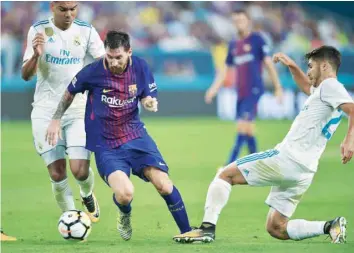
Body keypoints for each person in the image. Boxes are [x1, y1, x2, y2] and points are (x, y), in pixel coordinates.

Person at [173, 45, 354, 244]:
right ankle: (330, 226)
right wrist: (293, 66)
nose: (309, 71)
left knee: (224, 175)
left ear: (325, 66)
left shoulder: (330, 86)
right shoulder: (324, 92)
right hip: (305, 171)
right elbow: (306, 87)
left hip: (286, 159)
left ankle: (206, 229)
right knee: (276, 227)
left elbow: (353, 110)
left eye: (311, 66)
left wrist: (348, 141)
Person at [45, 31, 192, 241]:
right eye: (109, 57)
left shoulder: (140, 67)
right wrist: (56, 118)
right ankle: (124, 214)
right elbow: (69, 91)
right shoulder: (93, 72)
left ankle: (188, 232)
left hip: (136, 137)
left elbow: (148, 94)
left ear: (129, 52)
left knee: (164, 184)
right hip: (106, 145)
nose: (113, 62)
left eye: (119, 57)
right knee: (125, 193)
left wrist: (149, 101)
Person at [21, 1, 105, 222]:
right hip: (45, 111)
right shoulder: (38, 30)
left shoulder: (86, 31)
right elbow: (25, 75)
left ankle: (86, 194)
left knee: (80, 171)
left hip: (77, 108)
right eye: (63, 9)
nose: (69, 14)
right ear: (52, 7)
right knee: (57, 173)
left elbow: (104, 64)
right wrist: (36, 56)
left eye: (73, 8)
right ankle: (72, 219)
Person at [205, 9, 283, 164]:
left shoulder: (257, 40)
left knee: (242, 127)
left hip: (254, 89)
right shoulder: (234, 44)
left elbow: (268, 64)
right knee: (247, 129)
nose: (238, 24)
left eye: (241, 20)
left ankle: (229, 165)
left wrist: (278, 87)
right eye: (235, 21)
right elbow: (225, 69)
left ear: (248, 22)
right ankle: (258, 162)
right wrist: (214, 88)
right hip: (240, 92)